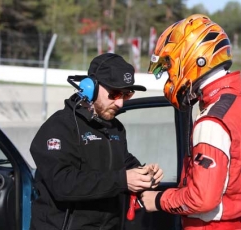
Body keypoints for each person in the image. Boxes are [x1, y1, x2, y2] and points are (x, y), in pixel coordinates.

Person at [141, 14, 241, 230]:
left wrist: (157, 200)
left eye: (169, 66)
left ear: (192, 57)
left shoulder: (213, 121)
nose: (169, 76)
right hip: (239, 223)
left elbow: (202, 199)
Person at [29, 53, 164, 230]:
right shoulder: (59, 126)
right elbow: (61, 183)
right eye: (115, 93)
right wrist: (122, 180)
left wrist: (144, 174)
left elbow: (123, 161)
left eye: (127, 94)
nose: (120, 103)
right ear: (89, 87)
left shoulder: (115, 128)